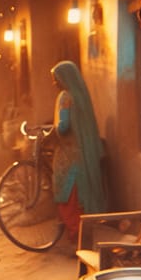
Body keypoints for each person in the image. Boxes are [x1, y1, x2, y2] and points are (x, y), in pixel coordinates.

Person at [50, 61, 107, 241]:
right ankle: (84, 234)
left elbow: (64, 127)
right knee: (81, 196)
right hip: (83, 156)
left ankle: (77, 236)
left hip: (69, 157)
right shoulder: (81, 96)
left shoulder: (65, 97)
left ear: (63, 79)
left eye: (55, 79)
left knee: (66, 194)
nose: (54, 83)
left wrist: (54, 131)